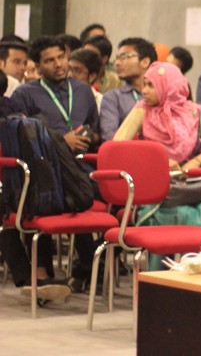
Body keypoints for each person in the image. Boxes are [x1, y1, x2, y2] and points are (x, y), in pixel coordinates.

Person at [113, 62, 201, 268]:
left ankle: (200, 276)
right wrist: (159, 161)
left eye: (150, 85)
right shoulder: (142, 111)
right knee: (178, 214)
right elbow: (117, 147)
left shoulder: (195, 113)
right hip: (156, 189)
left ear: (169, 86)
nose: (144, 90)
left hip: (191, 183)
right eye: (144, 84)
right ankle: (165, 279)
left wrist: (195, 162)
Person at [9, 35, 101, 289]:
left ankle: (89, 269)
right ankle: (49, 273)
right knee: (53, 194)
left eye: (61, 57)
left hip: (83, 166)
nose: (58, 64)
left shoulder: (82, 90)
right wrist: (62, 141)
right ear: (38, 67)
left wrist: (89, 135)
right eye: (49, 61)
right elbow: (21, 137)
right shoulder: (26, 94)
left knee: (92, 191)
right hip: (44, 169)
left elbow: (97, 128)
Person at [0, 70, 73, 303]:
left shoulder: (12, 112)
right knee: (20, 209)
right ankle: (37, 276)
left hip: (14, 183)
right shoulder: (15, 109)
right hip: (18, 184)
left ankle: (36, 279)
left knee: (19, 210)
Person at [100, 37, 157, 142]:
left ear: (145, 62)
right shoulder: (113, 97)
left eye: (124, 57)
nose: (117, 63)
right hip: (128, 154)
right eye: (116, 58)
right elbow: (109, 136)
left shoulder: (160, 95)